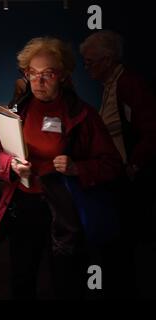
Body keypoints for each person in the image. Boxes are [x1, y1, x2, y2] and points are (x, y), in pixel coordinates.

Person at [0, 37, 123, 299]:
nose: (38, 81)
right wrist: (12, 166)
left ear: (63, 75)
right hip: (26, 205)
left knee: (66, 279)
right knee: (22, 276)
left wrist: (77, 168)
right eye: (32, 73)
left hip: (64, 208)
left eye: (47, 74)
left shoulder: (83, 115)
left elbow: (112, 165)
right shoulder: (18, 109)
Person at [80, 30, 156, 244]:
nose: (87, 69)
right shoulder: (112, 85)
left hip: (130, 177)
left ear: (107, 60)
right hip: (119, 173)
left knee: (130, 236)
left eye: (90, 63)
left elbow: (151, 130)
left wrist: (134, 164)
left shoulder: (128, 85)